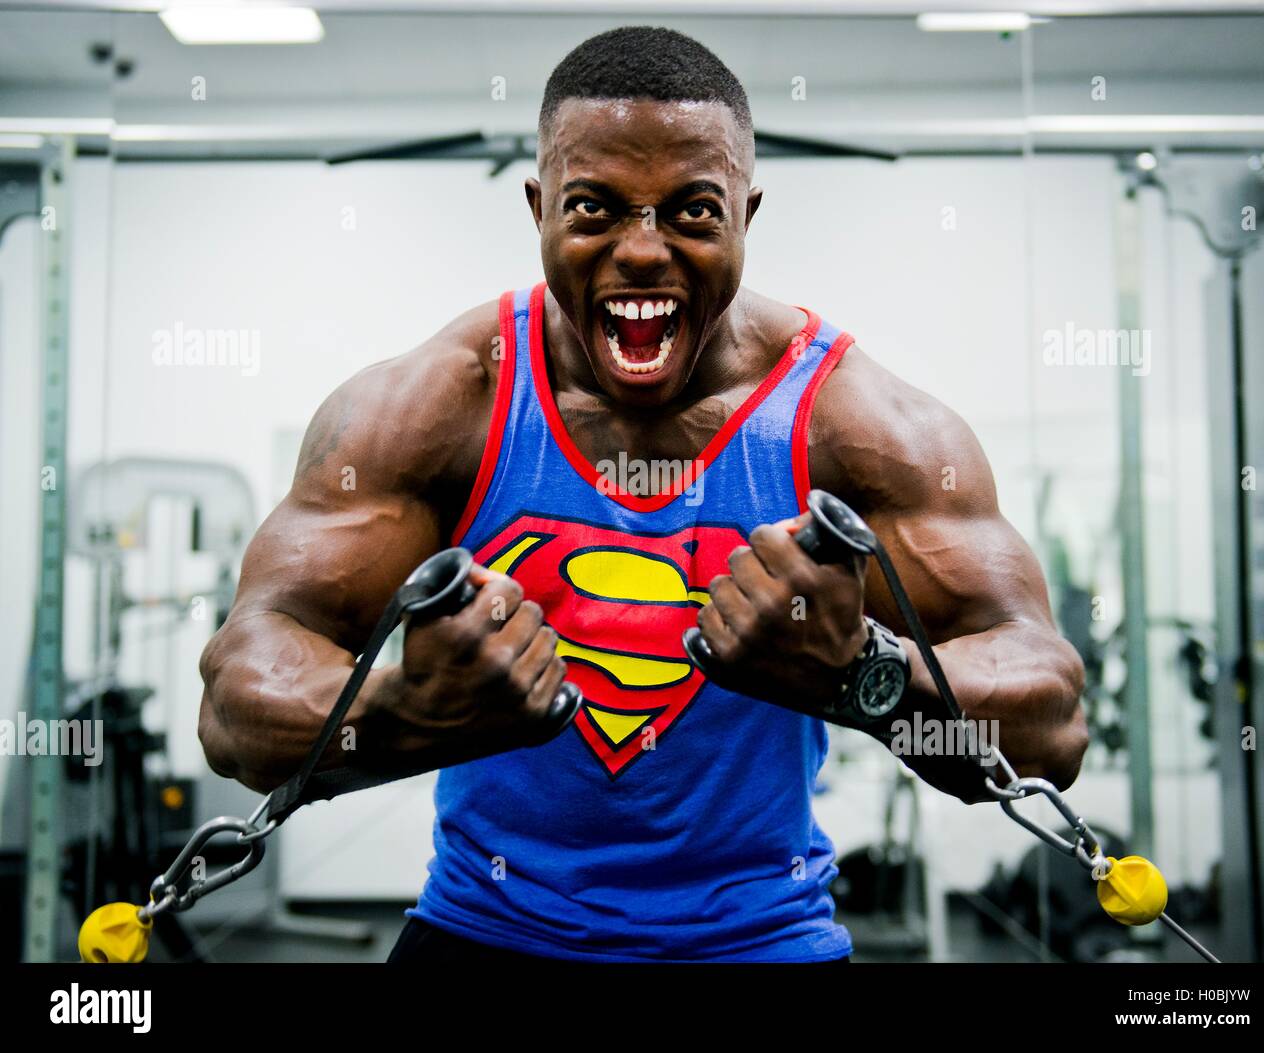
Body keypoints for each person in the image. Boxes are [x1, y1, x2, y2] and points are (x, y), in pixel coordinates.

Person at [198, 25, 1086, 963]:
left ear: (747, 212)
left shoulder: (857, 426)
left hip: (762, 941)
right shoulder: (437, 406)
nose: (643, 252)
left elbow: (1051, 720)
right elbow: (235, 703)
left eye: (693, 212)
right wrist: (400, 712)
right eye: (594, 210)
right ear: (538, 208)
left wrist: (865, 674)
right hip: (485, 932)